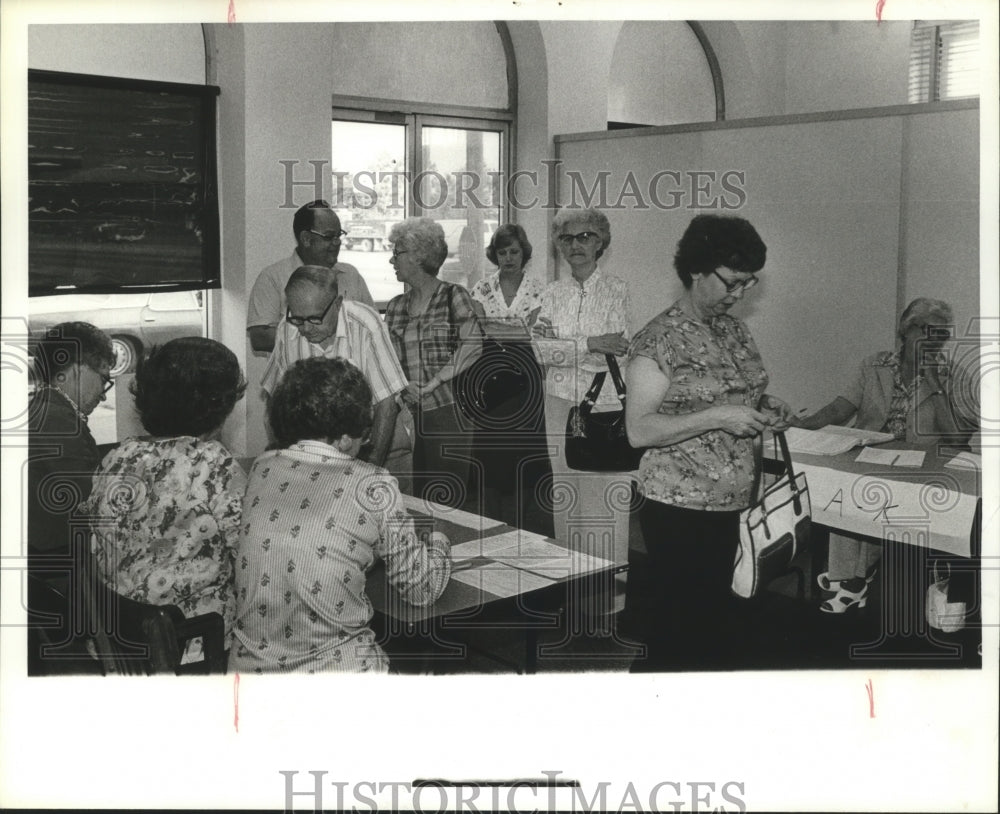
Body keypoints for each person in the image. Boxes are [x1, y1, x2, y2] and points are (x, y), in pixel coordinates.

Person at [624, 214, 795, 670]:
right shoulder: (658, 340)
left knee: (711, 625)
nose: (740, 295)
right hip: (679, 506)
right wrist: (720, 416)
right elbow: (639, 429)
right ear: (697, 270)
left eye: (748, 284)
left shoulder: (734, 329)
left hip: (730, 502)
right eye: (732, 283)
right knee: (679, 630)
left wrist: (764, 406)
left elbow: (733, 389)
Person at [229, 357, 452, 674]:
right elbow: (421, 591)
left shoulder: (262, 467)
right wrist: (440, 539)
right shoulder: (374, 483)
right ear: (347, 438)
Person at [793, 297, 964, 613]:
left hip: (920, 464)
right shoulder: (874, 365)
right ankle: (849, 580)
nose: (934, 341)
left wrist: (935, 384)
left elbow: (957, 437)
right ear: (906, 330)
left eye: (942, 335)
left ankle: (855, 580)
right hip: (868, 455)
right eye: (927, 331)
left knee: (876, 497)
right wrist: (800, 426)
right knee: (845, 493)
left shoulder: (951, 374)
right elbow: (840, 407)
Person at [83, 337, 247, 661]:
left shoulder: (118, 457)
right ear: (218, 406)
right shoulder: (214, 466)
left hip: (119, 642)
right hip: (192, 647)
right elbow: (252, 555)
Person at [533, 208, 632, 565]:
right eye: (567, 237)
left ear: (600, 242)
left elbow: (617, 347)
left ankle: (609, 601)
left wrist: (566, 345)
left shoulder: (616, 289)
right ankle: (571, 587)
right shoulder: (552, 294)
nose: (576, 244)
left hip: (603, 407)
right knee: (566, 497)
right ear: (559, 244)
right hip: (558, 404)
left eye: (585, 236)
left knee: (605, 504)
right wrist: (590, 343)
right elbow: (540, 350)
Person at [261, 265, 412, 489]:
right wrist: (283, 459)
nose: (305, 328)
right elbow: (275, 399)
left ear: (338, 304)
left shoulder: (366, 324)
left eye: (314, 319)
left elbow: (386, 404)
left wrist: (368, 473)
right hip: (317, 452)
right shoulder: (287, 328)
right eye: (298, 319)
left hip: (379, 440)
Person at [26, 322, 116, 671]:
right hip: (58, 578)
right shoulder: (59, 424)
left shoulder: (42, 410)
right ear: (77, 369)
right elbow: (97, 508)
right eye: (104, 378)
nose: (105, 393)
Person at [384, 217, 482, 511]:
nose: (392, 259)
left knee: (447, 504)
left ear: (418, 255)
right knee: (413, 502)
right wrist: (404, 388)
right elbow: (386, 358)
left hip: (448, 415)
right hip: (408, 417)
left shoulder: (453, 296)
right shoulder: (396, 306)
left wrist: (433, 383)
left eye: (398, 252)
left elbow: (474, 345)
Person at [468, 224, 553, 535]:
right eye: (502, 252)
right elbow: (478, 330)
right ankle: (490, 527)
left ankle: (524, 528)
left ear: (524, 253)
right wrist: (517, 329)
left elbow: (535, 334)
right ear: (495, 255)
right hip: (489, 377)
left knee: (523, 454)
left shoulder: (541, 289)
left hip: (525, 377)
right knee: (491, 453)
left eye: (514, 251)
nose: (508, 258)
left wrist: (496, 327)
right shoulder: (480, 288)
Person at [247, 199, 374, 353]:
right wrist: (320, 331)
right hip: (298, 374)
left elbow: (371, 327)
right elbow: (260, 338)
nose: (337, 242)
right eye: (328, 237)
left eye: (338, 235)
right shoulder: (273, 277)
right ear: (306, 239)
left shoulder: (351, 275)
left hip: (350, 373)